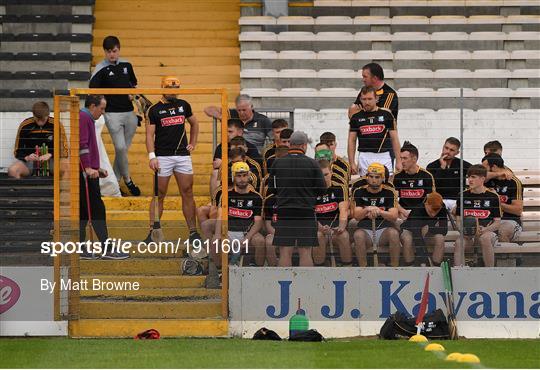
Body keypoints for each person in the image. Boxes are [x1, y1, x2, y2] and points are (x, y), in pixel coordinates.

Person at [145, 75, 202, 244]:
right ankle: (152, 232)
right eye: (170, 89)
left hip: (182, 156)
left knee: (188, 192)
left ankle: (193, 232)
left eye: (176, 89)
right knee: (159, 194)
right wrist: (152, 156)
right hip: (163, 156)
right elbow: (149, 135)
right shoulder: (154, 110)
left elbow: (195, 123)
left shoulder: (184, 105)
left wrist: (192, 142)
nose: (174, 92)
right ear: (163, 88)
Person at [89, 35, 140, 196]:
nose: (112, 54)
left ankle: (116, 183)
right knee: (120, 147)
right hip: (112, 114)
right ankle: (128, 180)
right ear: (104, 52)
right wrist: (102, 109)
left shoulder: (127, 65)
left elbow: (134, 84)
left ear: (119, 49)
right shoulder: (99, 69)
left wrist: (133, 95)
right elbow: (93, 92)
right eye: (109, 51)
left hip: (129, 113)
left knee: (122, 150)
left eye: (115, 51)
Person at [80, 95, 128, 260]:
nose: (103, 112)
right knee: (97, 210)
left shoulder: (86, 117)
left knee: (84, 212)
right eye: (101, 108)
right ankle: (106, 248)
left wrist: (96, 168)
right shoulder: (84, 117)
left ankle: (80, 247)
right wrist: (87, 167)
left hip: (87, 172)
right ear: (92, 106)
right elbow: (82, 144)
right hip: (85, 174)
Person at [269, 131, 326, 267]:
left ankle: (283, 285)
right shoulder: (312, 164)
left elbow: (271, 189)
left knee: (285, 251)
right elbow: (322, 189)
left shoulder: (278, 163)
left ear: (290, 144)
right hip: (306, 211)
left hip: (284, 210)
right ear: (304, 146)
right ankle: (305, 286)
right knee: (305, 251)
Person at [393, 142, 436, 266]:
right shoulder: (398, 177)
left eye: (405, 158)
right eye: (400, 158)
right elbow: (394, 199)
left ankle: (424, 264)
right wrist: (403, 211)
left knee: (421, 232)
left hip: (422, 217)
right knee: (407, 239)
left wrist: (416, 214)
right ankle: (411, 267)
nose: (402, 162)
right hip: (403, 216)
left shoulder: (426, 176)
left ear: (414, 158)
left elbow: (431, 202)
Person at [352, 163, 400, 267]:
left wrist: (379, 211)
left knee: (394, 234)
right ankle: (362, 269)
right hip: (366, 231)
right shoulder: (359, 191)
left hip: (384, 231)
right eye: (371, 177)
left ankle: (394, 268)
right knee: (358, 235)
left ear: (382, 178)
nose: (374, 180)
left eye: (377, 177)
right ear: (367, 177)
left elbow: (394, 216)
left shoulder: (389, 192)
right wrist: (367, 209)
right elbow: (356, 215)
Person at [347, 86, 402, 176]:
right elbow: (351, 140)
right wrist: (352, 162)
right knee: (365, 186)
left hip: (383, 155)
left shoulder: (386, 114)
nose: (367, 102)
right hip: (364, 156)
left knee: (386, 185)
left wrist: (399, 161)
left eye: (370, 99)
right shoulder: (356, 117)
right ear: (360, 99)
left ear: (376, 99)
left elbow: (394, 139)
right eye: (364, 99)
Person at [453, 165, 501, 267]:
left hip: (487, 232)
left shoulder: (493, 196)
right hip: (468, 233)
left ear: (482, 179)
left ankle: (489, 271)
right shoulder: (462, 195)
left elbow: (497, 223)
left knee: (484, 238)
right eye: (468, 177)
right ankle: (458, 272)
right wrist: (463, 230)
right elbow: (458, 220)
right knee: (459, 242)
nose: (469, 180)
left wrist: (485, 229)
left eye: (473, 177)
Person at [8, 101, 67, 179]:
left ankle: (63, 191)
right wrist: (27, 157)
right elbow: (17, 151)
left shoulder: (56, 125)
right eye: (37, 119)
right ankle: (21, 191)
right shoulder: (25, 125)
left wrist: (50, 154)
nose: (40, 122)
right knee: (12, 170)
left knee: (69, 168)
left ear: (48, 115)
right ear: (33, 115)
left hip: (52, 161)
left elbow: (64, 150)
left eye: (42, 119)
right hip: (31, 162)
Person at [313, 160, 352, 267]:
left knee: (344, 235)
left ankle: (348, 267)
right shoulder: (311, 190)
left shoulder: (340, 188)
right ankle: (319, 269)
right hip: (320, 229)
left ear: (331, 173)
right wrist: (320, 228)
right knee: (318, 236)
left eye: (326, 174)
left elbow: (344, 210)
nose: (324, 178)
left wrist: (341, 227)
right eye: (320, 175)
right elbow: (310, 214)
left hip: (336, 229)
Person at [225, 162, 265, 266]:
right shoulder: (226, 195)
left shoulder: (256, 197)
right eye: (238, 176)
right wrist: (223, 234)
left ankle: (258, 271)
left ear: (249, 176)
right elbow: (221, 218)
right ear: (233, 177)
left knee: (260, 241)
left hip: (247, 233)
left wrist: (247, 238)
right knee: (215, 241)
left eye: (244, 175)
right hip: (229, 232)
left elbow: (258, 222)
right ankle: (220, 271)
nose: (242, 179)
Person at [204, 94, 272, 152]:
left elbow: (274, 137)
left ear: (251, 107)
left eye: (244, 110)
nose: (241, 113)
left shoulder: (263, 120)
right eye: (239, 110)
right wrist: (223, 117)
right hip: (233, 155)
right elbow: (208, 109)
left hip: (254, 156)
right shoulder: (232, 114)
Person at [482, 153, 523, 242]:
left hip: (510, 220)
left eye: (485, 169)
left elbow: (517, 210)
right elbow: (476, 175)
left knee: (502, 231)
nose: (483, 172)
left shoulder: (513, 182)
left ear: (494, 167)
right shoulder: (486, 180)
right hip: (490, 220)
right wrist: (497, 174)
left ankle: (505, 256)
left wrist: (496, 202)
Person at [400, 191, 448, 267]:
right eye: (431, 210)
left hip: (427, 231)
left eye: (436, 211)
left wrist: (429, 229)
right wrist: (424, 262)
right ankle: (410, 265)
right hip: (410, 230)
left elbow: (444, 230)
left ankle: (436, 266)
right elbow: (417, 236)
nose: (433, 214)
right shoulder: (418, 211)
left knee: (440, 238)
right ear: (426, 204)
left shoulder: (442, 208)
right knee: (408, 239)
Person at [426, 137, 471, 212]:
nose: (448, 152)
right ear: (443, 147)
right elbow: (432, 185)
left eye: (452, 150)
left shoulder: (463, 165)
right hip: (439, 201)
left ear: (457, 152)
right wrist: (442, 168)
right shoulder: (432, 166)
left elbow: (478, 173)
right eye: (446, 148)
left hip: (457, 201)